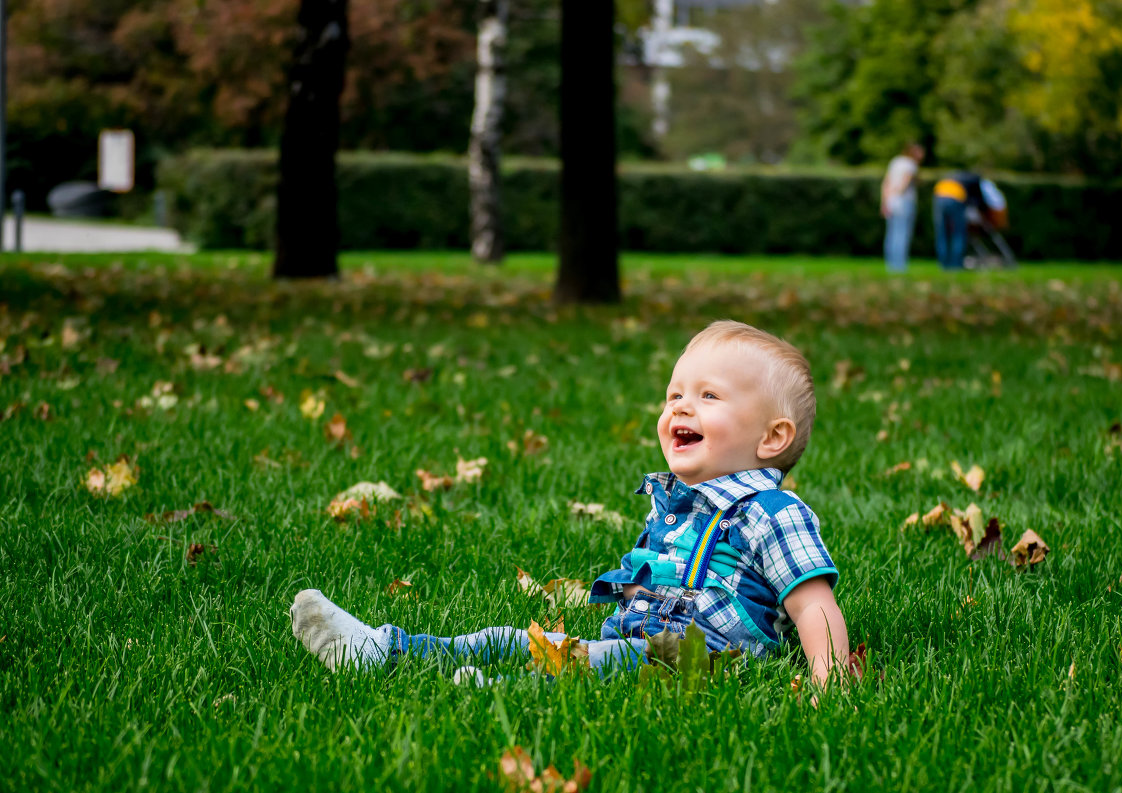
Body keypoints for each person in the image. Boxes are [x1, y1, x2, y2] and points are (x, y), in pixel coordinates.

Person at [290, 321, 850, 694]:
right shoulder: (676, 507)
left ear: (773, 437)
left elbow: (812, 606)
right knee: (508, 639)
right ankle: (381, 649)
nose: (681, 406)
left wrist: (832, 683)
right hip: (641, 644)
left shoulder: (774, 512)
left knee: (595, 665)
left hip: (707, 661)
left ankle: (496, 689)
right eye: (674, 394)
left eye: (709, 396)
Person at [880, 143, 925, 273]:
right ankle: (899, 267)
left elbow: (886, 182)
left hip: (890, 201)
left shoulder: (895, 161)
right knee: (902, 234)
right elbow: (905, 182)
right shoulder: (911, 165)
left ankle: (890, 265)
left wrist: (885, 201)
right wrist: (897, 194)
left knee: (891, 234)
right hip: (904, 201)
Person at [932, 170, 989, 271]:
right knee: (958, 233)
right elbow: (978, 200)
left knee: (942, 233)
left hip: (939, 196)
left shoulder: (951, 176)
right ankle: (956, 265)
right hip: (955, 198)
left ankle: (943, 264)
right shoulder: (975, 180)